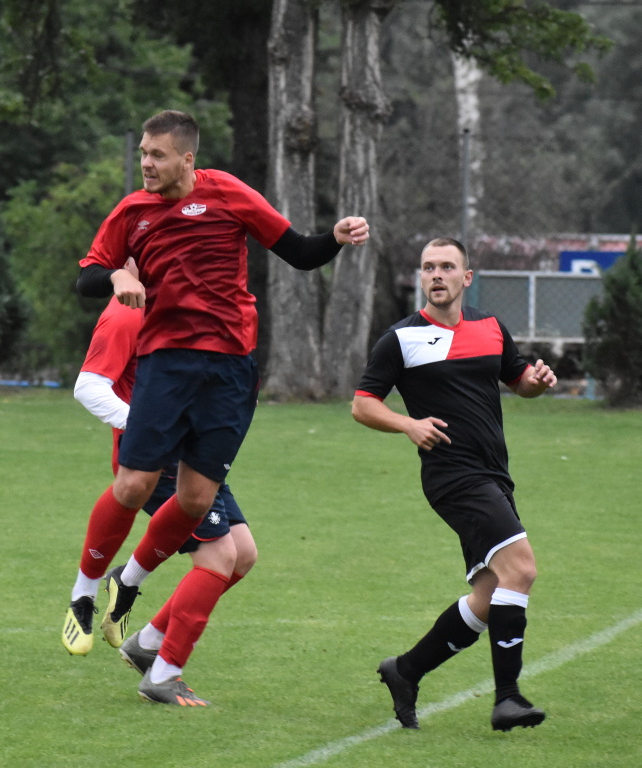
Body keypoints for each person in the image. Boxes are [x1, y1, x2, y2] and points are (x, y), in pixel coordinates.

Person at [75, 110, 369, 700]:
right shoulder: (132, 212)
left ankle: (133, 599)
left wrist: (333, 240)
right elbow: (86, 276)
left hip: (232, 372)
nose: (146, 164)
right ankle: (87, 591)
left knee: (198, 499)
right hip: (167, 362)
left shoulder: (229, 193)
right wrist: (113, 280)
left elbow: (301, 253)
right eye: (142, 153)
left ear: (188, 159)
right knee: (134, 484)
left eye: (157, 155)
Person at [352, 237, 557, 733]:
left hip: (493, 474)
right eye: (428, 267)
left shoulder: (490, 327)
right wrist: (408, 424)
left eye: (447, 266)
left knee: (490, 595)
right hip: (452, 475)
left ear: (467, 277)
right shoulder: (400, 339)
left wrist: (538, 381)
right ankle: (507, 698)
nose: (436, 275)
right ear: (420, 279)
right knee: (521, 568)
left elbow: (518, 379)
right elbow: (362, 404)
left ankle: (405, 671)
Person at [62, 259, 258, 706]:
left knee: (242, 556)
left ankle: (145, 641)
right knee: (219, 556)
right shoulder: (127, 311)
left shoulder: (187, 309)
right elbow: (88, 387)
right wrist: (152, 427)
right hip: (156, 461)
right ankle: (163, 674)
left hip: (195, 453)